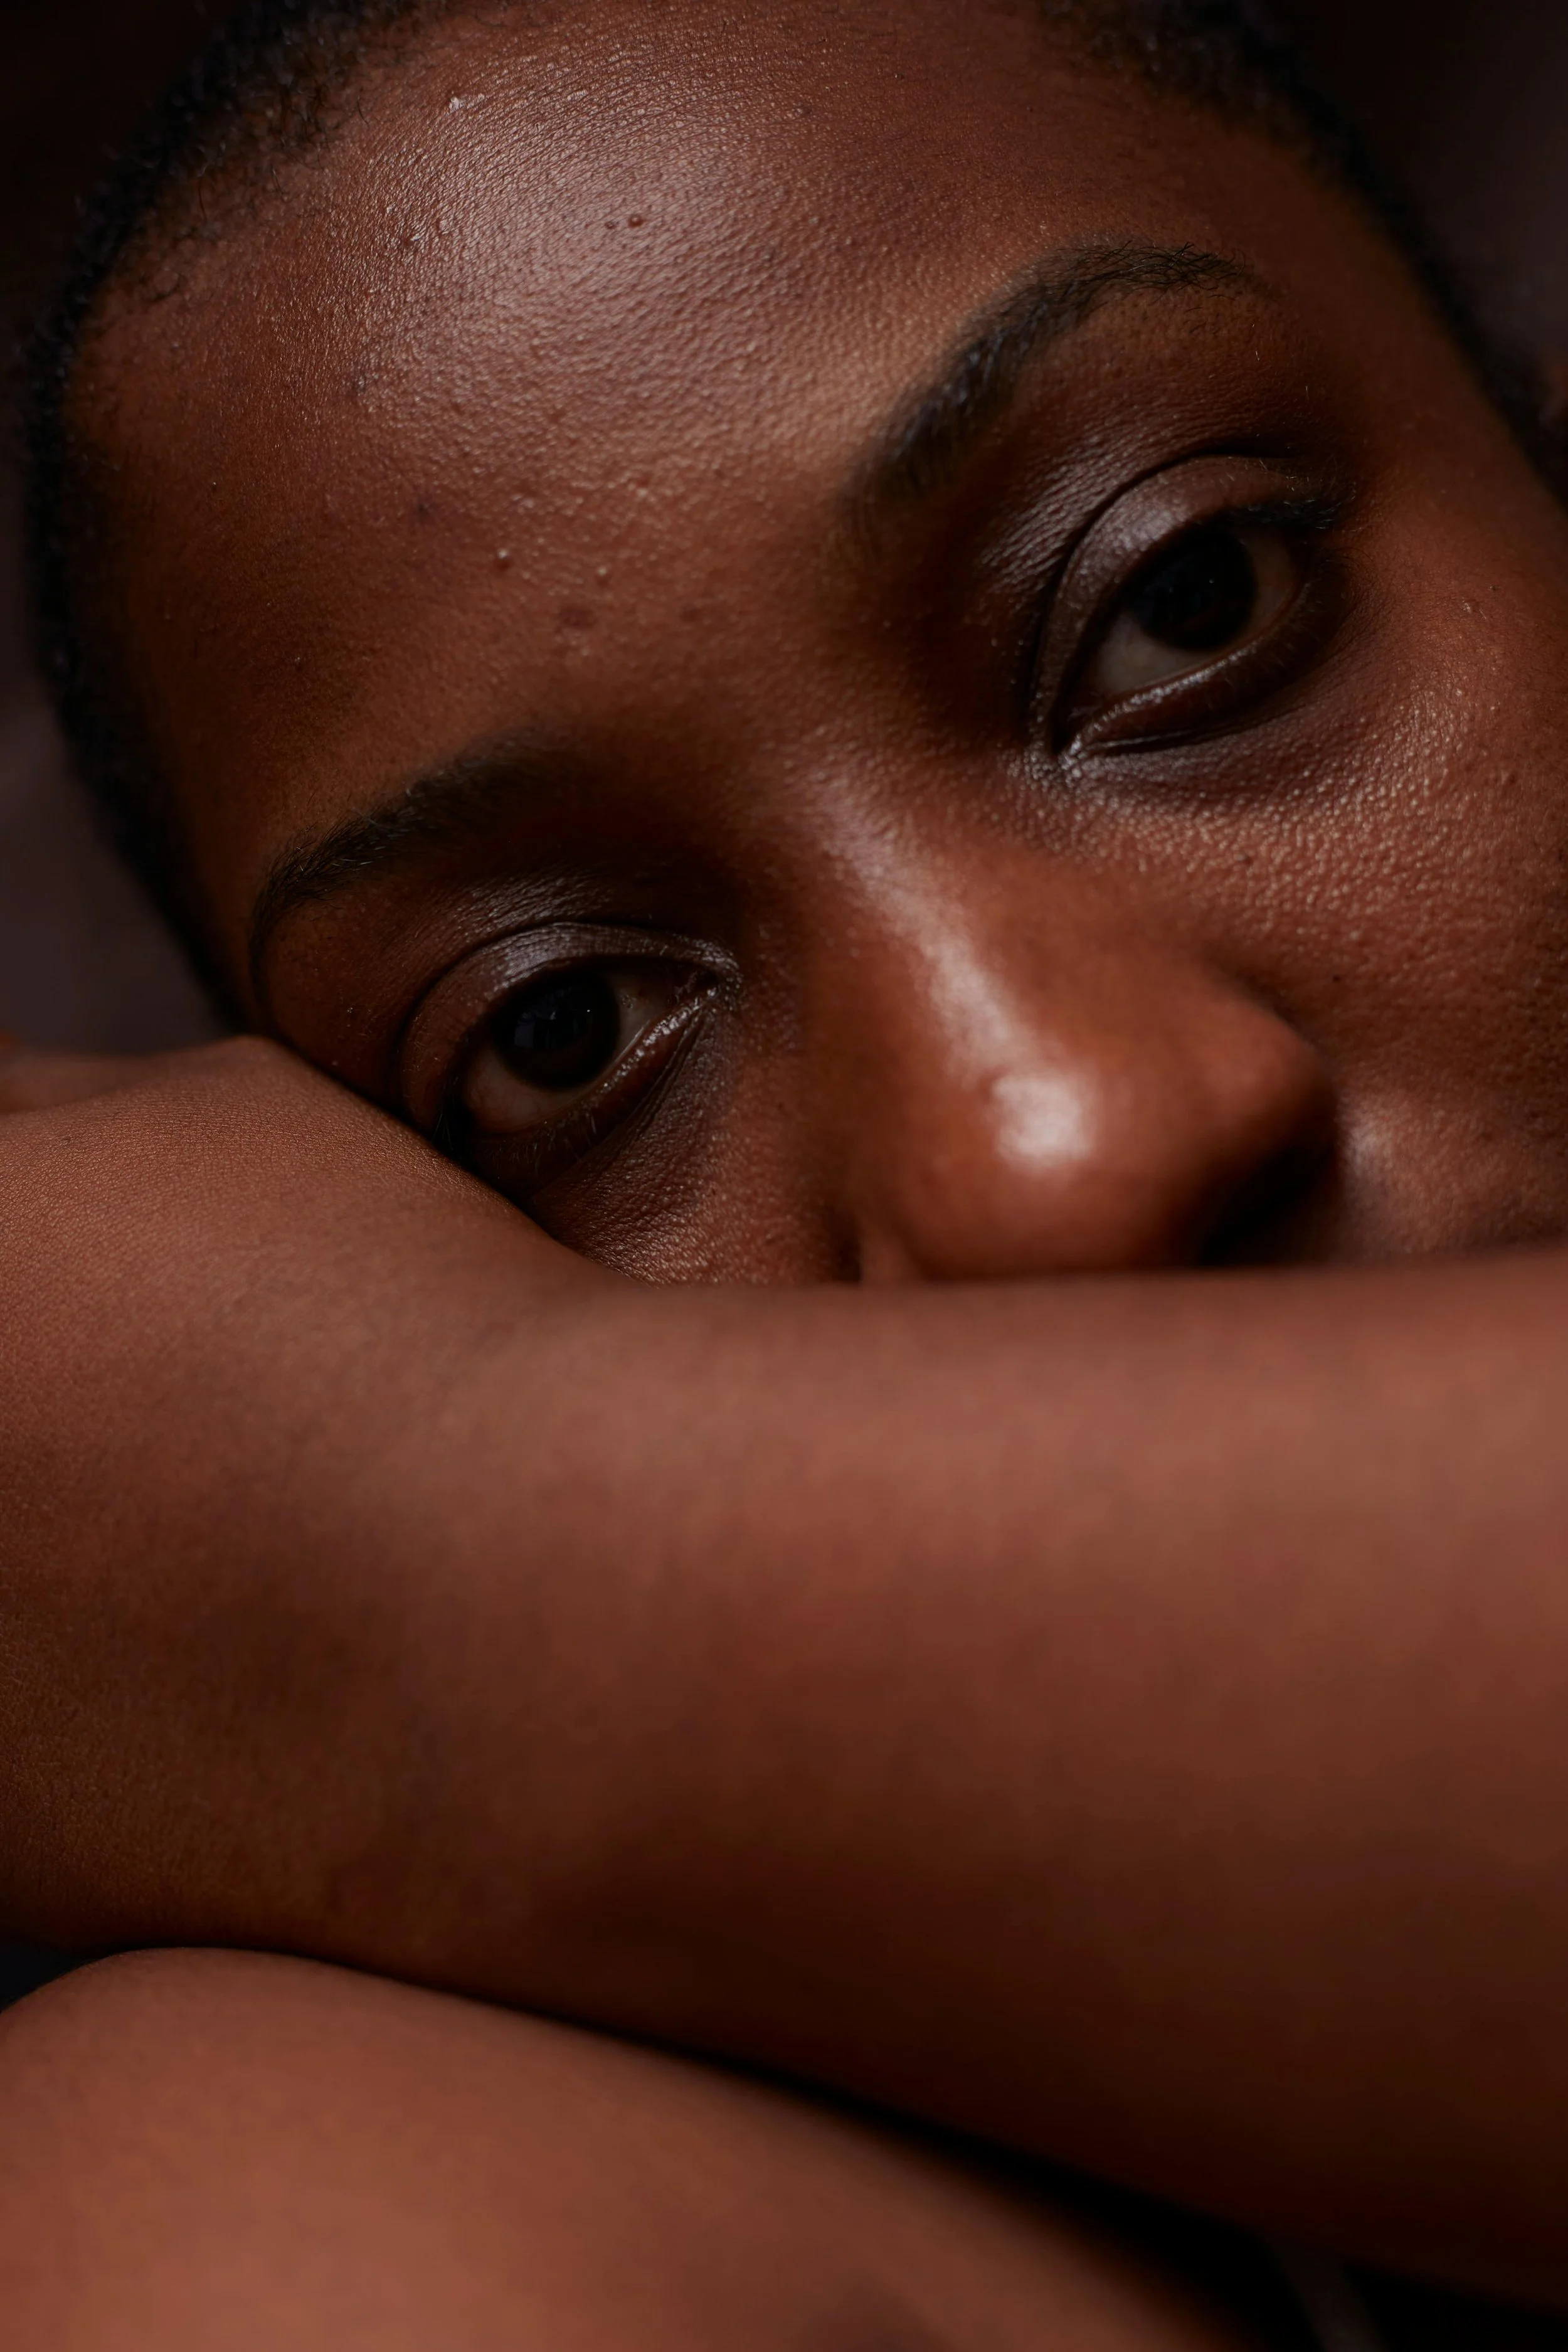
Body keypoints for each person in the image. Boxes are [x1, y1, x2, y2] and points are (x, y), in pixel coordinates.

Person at [3, 0, 1568, 2341]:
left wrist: (398, 1541)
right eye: (561, 1033)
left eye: (1187, 605)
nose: (1052, 1150)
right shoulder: (349, 2181)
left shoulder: (375, 1587)